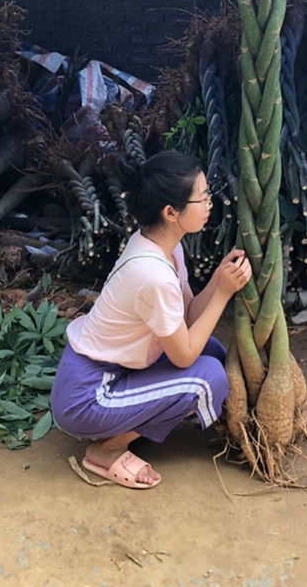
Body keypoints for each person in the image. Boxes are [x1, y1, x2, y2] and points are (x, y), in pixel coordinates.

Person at [50, 150, 252, 489]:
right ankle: (106, 449)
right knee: (208, 379)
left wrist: (218, 279)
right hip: (88, 397)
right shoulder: (153, 274)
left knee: (213, 352)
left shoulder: (165, 247)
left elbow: (186, 317)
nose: (210, 203)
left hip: (113, 373)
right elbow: (183, 355)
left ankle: (131, 423)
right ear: (171, 212)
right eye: (203, 197)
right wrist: (222, 294)